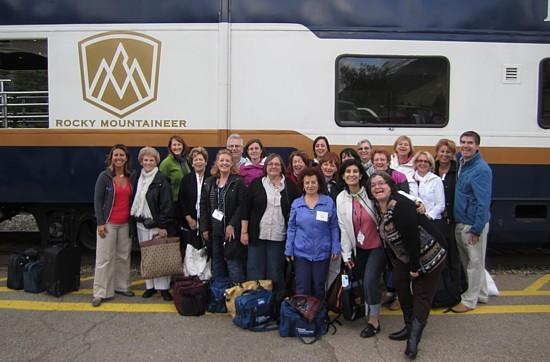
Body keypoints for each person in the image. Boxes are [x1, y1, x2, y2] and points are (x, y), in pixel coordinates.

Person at [367, 171, 446, 359]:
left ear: (390, 185)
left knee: (421, 294)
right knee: (401, 285)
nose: (377, 187)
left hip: (429, 251)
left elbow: (412, 238)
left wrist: (415, 267)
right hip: (406, 255)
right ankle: (408, 326)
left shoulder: (400, 204)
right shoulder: (379, 206)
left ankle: (414, 339)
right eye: (373, 185)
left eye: (381, 183)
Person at [241, 153, 300, 302]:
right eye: (270, 164)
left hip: (278, 237)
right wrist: (244, 232)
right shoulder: (256, 184)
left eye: (277, 164)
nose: (273, 167)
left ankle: (275, 305)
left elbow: (297, 212)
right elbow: (246, 209)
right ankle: (255, 304)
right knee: (255, 272)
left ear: (282, 168)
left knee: (275, 273)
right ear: (265, 167)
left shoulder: (290, 186)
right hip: (257, 236)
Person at [337, 159, 386, 338]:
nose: (351, 174)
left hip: (378, 245)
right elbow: (343, 228)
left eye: (355, 171)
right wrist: (346, 254)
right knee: (363, 281)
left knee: (370, 281)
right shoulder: (341, 198)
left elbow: (396, 195)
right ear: (342, 176)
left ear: (360, 174)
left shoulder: (370, 192)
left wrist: (417, 202)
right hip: (360, 247)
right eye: (347, 171)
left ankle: (374, 321)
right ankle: (368, 309)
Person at [451, 131, 492, 313]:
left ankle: (469, 301)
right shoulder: (462, 162)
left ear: (477, 146)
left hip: (472, 224)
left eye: (470, 143)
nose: (465, 145)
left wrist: (477, 228)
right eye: (463, 142)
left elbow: (483, 201)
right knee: (470, 261)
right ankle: (481, 294)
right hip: (461, 221)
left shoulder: (481, 169)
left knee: (474, 263)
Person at [91, 144, 137, 307]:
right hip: (109, 223)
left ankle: (122, 286)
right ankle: (100, 292)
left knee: (123, 257)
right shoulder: (104, 176)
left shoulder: (131, 176)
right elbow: (97, 200)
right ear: (111, 158)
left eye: (122, 155)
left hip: (125, 224)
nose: (119, 158)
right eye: (116, 155)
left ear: (126, 158)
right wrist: (100, 222)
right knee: (104, 258)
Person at [285, 167, 340, 299]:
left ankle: (318, 316)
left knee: (319, 286)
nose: (310, 186)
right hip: (301, 253)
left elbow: (333, 226)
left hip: (322, 252)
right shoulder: (297, 204)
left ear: (319, 184)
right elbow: (291, 228)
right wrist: (289, 249)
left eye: (313, 182)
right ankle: (303, 316)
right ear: (303, 185)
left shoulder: (328, 202)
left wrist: (335, 247)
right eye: (307, 183)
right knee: (302, 286)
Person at [131, 147, 176, 301]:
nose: (148, 163)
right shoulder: (138, 177)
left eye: (151, 160)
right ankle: (149, 286)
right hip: (141, 223)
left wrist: (163, 225)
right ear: (141, 162)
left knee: (160, 255)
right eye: (145, 160)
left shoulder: (161, 179)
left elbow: (166, 204)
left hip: (156, 224)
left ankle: (163, 288)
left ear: (156, 162)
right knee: (146, 256)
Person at [200, 149, 247, 283]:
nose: (224, 163)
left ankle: (236, 295)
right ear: (217, 163)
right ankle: (219, 294)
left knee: (233, 262)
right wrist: (204, 228)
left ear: (232, 163)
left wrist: (232, 225)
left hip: (230, 231)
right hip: (214, 230)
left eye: (227, 160)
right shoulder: (209, 182)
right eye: (222, 160)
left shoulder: (238, 182)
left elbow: (241, 206)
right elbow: (203, 206)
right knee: (217, 262)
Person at [434, 138, 462, 295]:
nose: (444, 154)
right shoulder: (432, 169)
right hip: (436, 221)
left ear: (452, 154)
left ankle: (455, 291)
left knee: (453, 259)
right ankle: (440, 292)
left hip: (451, 220)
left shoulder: (457, 170)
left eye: (448, 152)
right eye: (442, 151)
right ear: (437, 153)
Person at [178, 147, 209, 255]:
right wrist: (189, 219)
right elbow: (181, 200)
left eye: (201, 159)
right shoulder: (186, 179)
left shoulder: (212, 179)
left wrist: (205, 224)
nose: (198, 162)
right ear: (191, 163)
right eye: (195, 160)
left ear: (206, 162)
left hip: (207, 223)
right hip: (190, 223)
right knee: (190, 254)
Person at [411, 151, 445, 221]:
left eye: (426, 161)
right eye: (420, 161)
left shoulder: (436, 180)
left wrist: (428, 216)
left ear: (430, 164)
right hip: (414, 220)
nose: (422, 163)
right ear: (416, 163)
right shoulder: (409, 179)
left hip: (433, 221)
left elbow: (441, 205)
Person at [159, 135, 191, 204]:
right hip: (172, 203)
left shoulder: (185, 161)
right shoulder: (166, 163)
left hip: (185, 201)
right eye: (174, 145)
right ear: (170, 147)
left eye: (179, 144)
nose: (177, 147)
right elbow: (160, 185)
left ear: (183, 146)